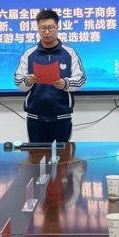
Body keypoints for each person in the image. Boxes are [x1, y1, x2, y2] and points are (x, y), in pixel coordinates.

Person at [14, 9, 86, 143]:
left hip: (62, 117)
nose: (47, 32)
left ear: (57, 27)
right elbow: (18, 82)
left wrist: (65, 84)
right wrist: (27, 81)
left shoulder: (69, 52)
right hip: (35, 118)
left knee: (62, 156)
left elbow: (81, 80)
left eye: (50, 28)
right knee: (36, 155)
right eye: (43, 28)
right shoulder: (29, 54)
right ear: (38, 28)